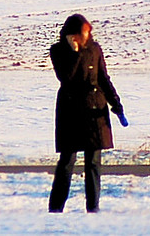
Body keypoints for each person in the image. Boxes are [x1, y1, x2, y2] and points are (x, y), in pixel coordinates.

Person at [48, 14, 128, 213]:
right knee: (67, 161)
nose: (87, 36)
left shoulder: (95, 49)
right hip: (71, 111)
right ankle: (56, 209)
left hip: (94, 109)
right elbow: (65, 78)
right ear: (72, 35)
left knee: (93, 162)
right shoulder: (58, 51)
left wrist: (115, 104)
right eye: (83, 33)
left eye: (88, 33)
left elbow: (103, 78)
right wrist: (74, 54)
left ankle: (93, 208)